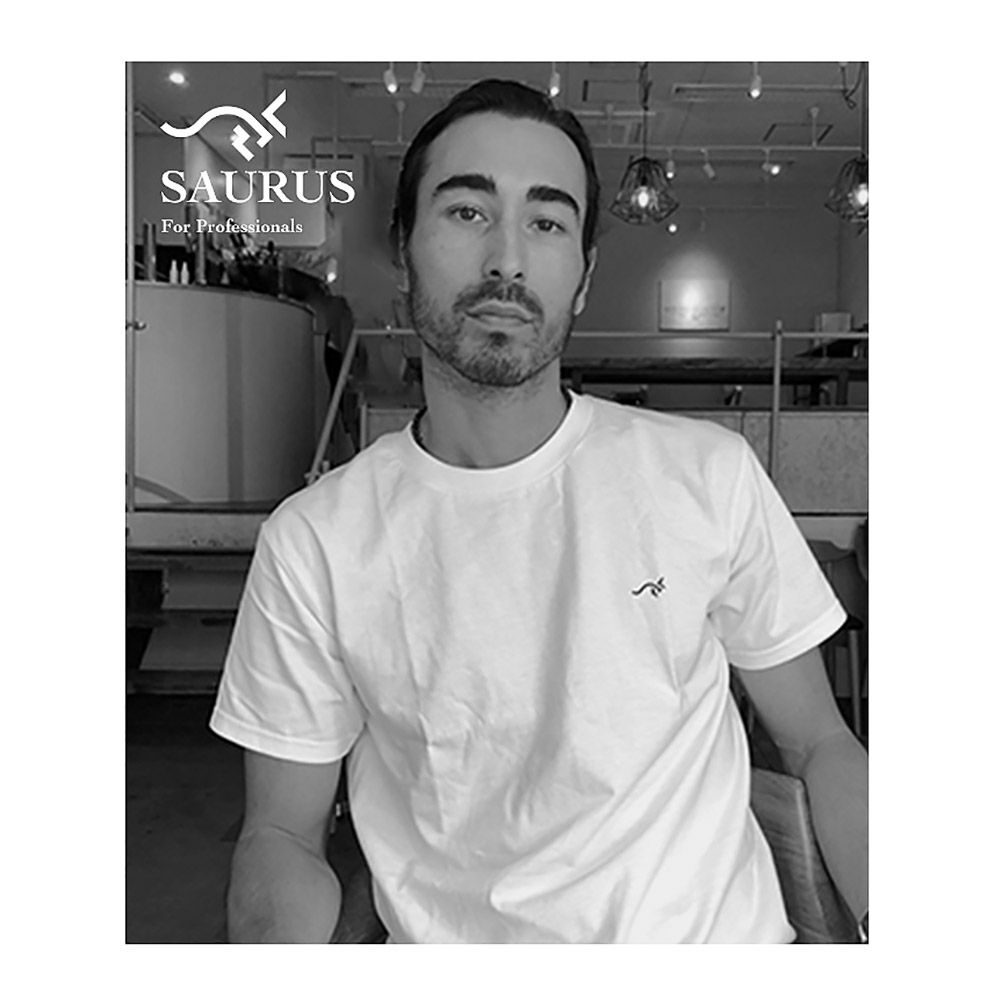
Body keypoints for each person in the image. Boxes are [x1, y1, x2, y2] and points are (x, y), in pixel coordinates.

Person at [209, 79, 868, 944]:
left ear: (584, 277)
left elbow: (819, 743)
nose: (507, 261)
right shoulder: (317, 543)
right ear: (404, 249)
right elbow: (283, 835)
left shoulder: (707, 475)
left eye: (548, 222)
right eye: (468, 212)